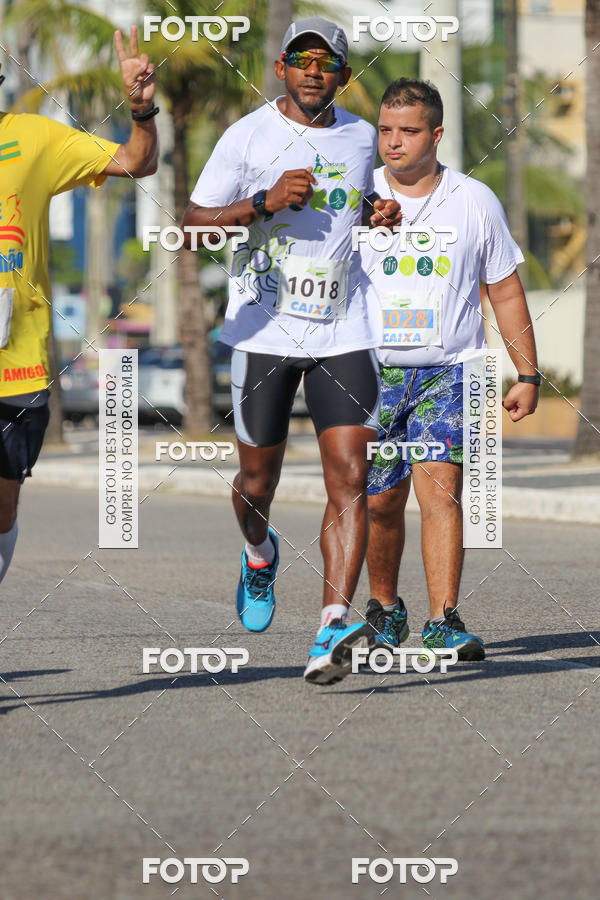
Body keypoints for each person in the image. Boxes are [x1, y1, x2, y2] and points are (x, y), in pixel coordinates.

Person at [182, 18, 401, 684]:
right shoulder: (246, 136)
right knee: (258, 483)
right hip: (263, 332)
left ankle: (332, 623)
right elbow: (191, 227)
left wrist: (377, 212)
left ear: (343, 75)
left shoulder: (361, 136)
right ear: (281, 67)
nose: (314, 70)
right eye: (302, 58)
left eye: (327, 62)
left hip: (345, 329)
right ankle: (258, 552)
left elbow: (357, 203)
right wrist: (262, 202)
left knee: (351, 476)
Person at [360, 79, 539, 659]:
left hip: (450, 369)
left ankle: (443, 618)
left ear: (436, 134)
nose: (394, 142)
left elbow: (504, 290)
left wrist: (527, 374)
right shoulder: (356, 198)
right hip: (370, 373)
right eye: (386, 130)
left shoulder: (474, 200)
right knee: (381, 500)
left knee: (441, 489)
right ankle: (385, 608)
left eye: (408, 131)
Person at [0, 27, 158, 587]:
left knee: (2, 510)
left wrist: (140, 109)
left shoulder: (31, 137)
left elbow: (136, 162)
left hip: (16, 366)